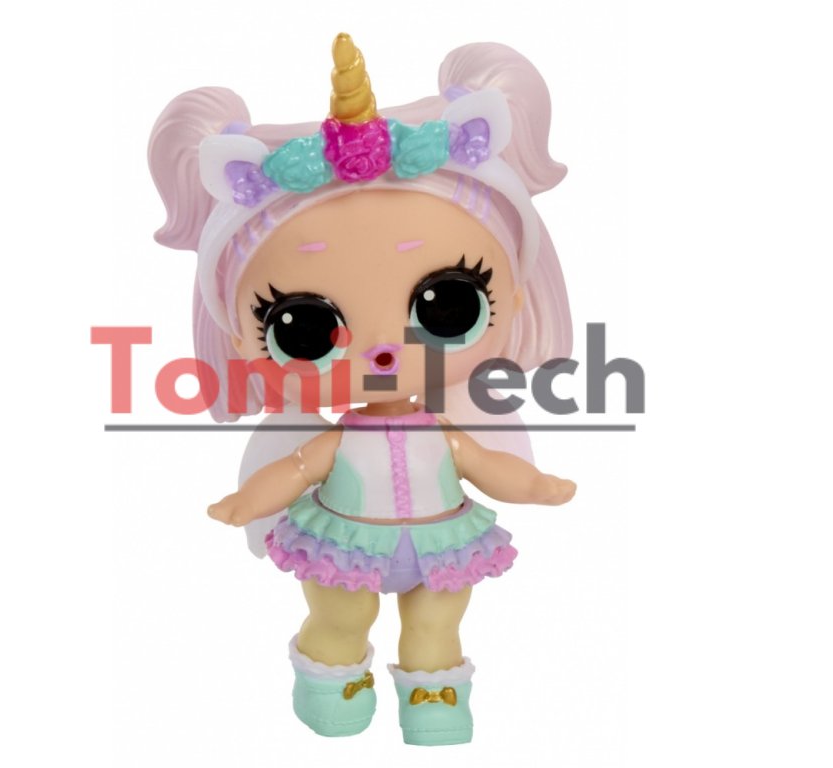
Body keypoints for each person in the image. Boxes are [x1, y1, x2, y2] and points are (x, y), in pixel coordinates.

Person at [149, 33, 575, 746]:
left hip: (441, 541)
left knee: (437, 622)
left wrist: (533, 485)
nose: (383, 347)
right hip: (344, 544)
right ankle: (332, 691)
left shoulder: (449, 433)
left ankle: (435, 702)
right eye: (304, 327)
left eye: (448, 305)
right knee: (339, 618)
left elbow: (485, 464)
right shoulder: (337, 438)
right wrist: (246, 501)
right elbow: (295, 469)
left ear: (516, 296)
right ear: (242, 338)